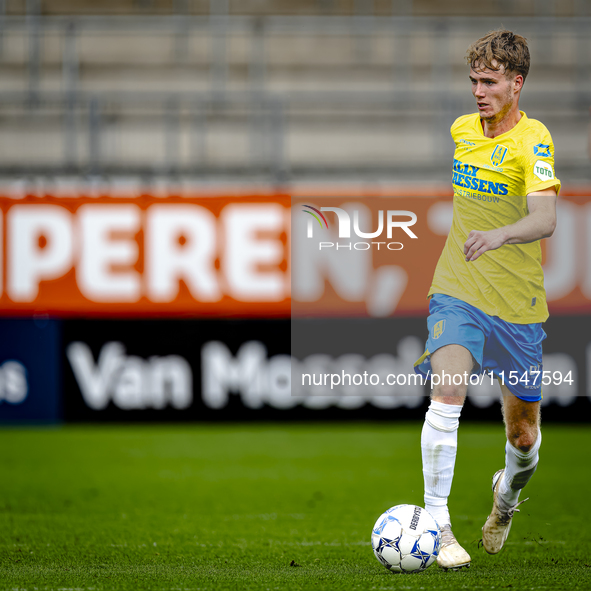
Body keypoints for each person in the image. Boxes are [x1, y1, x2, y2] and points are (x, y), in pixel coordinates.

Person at [413, 30, 560, 570]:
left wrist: (499, 236)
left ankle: (506, 498)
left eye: (490, 81)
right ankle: (437, 525)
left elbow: (545, 218)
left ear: (515, 84)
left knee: (523, 437)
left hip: (517, 306)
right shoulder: (462, 130)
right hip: (457, 287)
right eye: (474, 80)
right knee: (446, 394)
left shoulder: (534, 139)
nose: (478, 91)